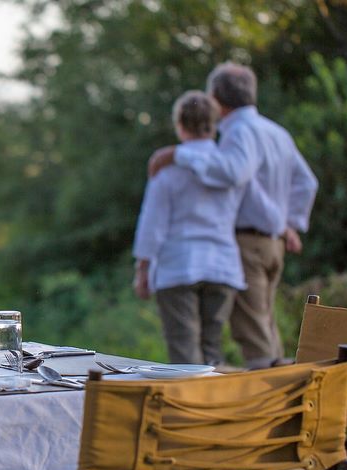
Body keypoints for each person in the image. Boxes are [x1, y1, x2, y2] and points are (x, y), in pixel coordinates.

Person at [148, 62, 318, 369]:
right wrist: (289, 224)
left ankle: (273, 409)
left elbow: (233, 173)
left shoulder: (238, 132)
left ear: (215, 98)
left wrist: (177, 154)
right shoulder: (276, 131)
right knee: (265, 325)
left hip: (246, 243)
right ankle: (285, 399)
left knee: (254, 336)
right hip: (273, 242)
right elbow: (307, 182)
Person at [133, 90, 245, 366]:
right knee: (212, 350)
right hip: (222, 265)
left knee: (184, 351)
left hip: (178, 265)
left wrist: (143, 268)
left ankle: (189, 408)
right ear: (214, 125)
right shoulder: (230, 166)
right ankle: (216, 407)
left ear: (179, 125)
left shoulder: (166, 170)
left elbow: (153, 223)